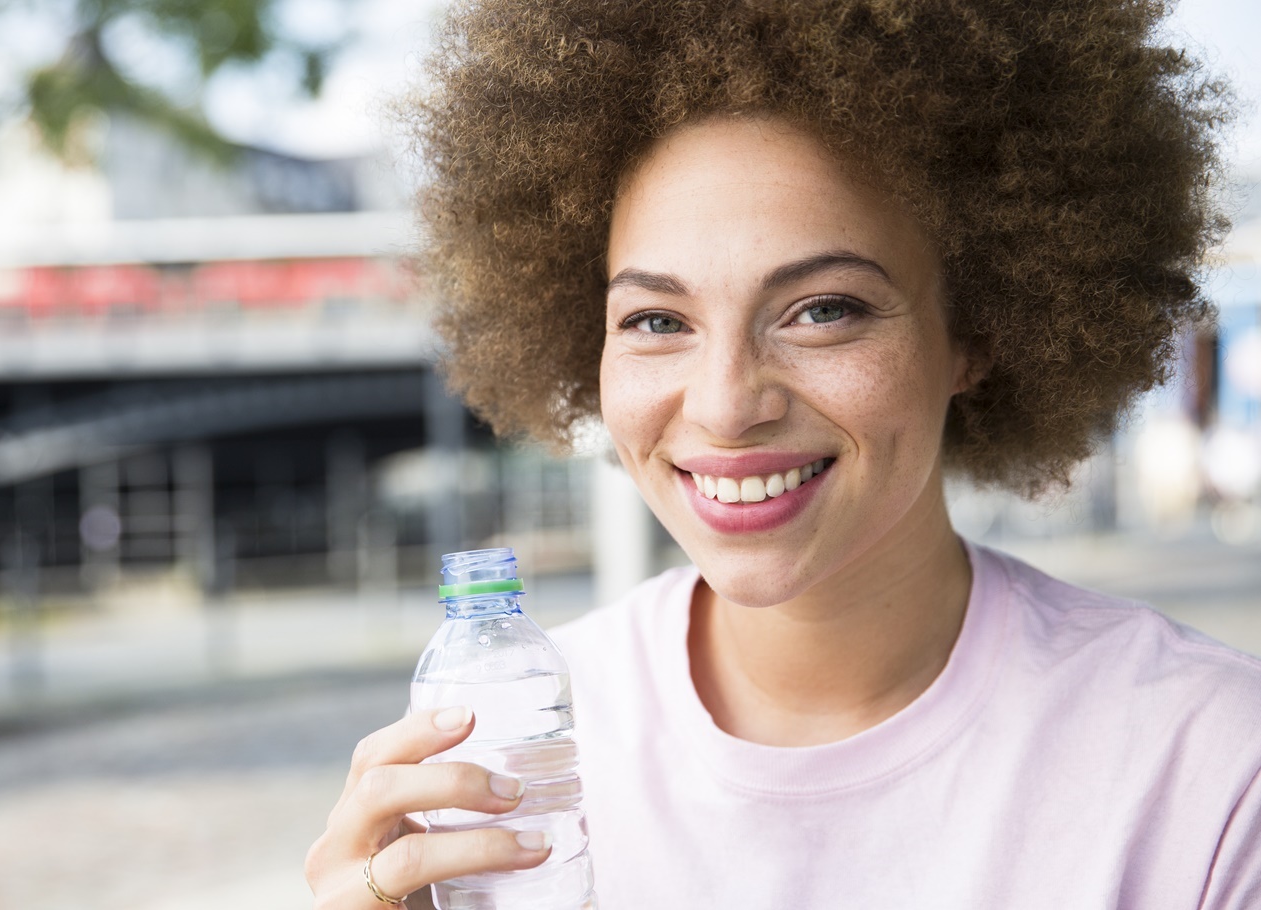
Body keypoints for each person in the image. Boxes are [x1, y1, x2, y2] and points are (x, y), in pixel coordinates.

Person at [305, 1, 1261, 907]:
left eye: (822, 309)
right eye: (655, 319)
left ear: (976, 331)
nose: (725, 405)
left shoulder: (1205, 771)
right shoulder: (521, 750)